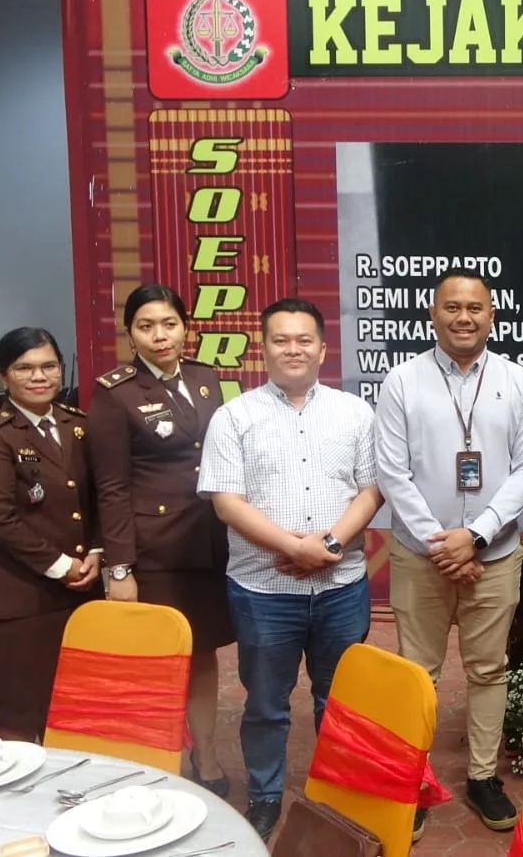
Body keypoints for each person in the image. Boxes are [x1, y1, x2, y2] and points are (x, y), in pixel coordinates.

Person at [197, 298, 382, 840]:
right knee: (265, 703)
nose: (293, 349)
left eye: (305, 340)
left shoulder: (355, 413)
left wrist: (328, 543)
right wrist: (292, 547)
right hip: (263, 589)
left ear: (323, 349)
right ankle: (265, 794)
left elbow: (372, 489)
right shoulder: (234, 417)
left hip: (340, 585)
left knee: (340, 700)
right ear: (263, 348)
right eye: (281, 340)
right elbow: (226, 502)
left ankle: (339, 793)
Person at [375, 269, 523, 837]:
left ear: (492, 315)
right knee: (417, 674)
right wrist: (441, 542)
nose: (464, 317)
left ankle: (482, 776)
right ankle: (414, 779)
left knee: (489, 668)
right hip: (420, 554)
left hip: (493, 555)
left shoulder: (517, 382)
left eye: (475, 307)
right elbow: (392, 473)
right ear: (433, 314)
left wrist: (475, 535)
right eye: (452, 307)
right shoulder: (402, 381)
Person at [88, 284, 232, 795]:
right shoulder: (115, 393)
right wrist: (119, 568)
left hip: (206, 542)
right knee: (157, 661)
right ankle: (155, 762)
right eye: (146, 326)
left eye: (169, 324)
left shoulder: (205, 378)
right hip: (154, 550)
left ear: (185, 326)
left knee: (204, 653)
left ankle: (206, 755)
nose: (159, 336)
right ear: (130, 334)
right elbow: (110, 487)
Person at [0, 328, 101, 741]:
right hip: (16, 599)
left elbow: (100, 497)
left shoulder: (78, 425)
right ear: (2, 376)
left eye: (49, 366)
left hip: (80, 592)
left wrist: (96, 552)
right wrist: (61, 566)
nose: (39, 376)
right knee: (19, 716)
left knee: (80, 711)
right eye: (24, 368)